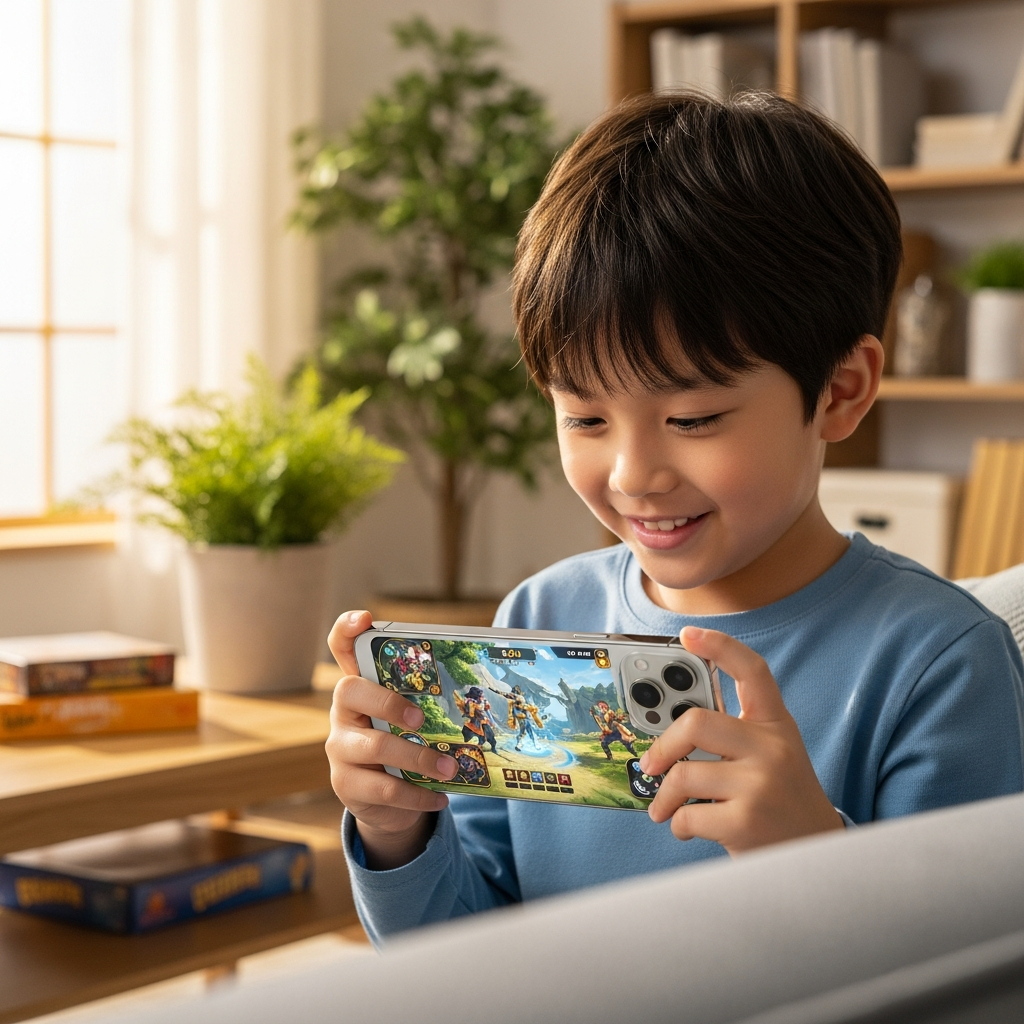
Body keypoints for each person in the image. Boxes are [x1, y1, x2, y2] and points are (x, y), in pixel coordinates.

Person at [324, 92, 1024, 945]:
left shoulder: (938, 663)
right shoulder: (541, 620)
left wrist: (817, 858)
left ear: (840, 391)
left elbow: (968, 978)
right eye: (583, 418)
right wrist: (399, 834)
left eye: (692, 420)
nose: (632, 475)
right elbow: (465, 962)